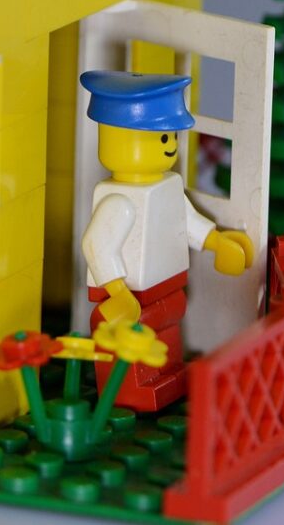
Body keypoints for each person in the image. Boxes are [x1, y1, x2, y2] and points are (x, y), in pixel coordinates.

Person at [81, 71, 253, 411]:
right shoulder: (119, 201)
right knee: (132, 337)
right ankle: (131, 391)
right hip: (129, 296)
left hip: (168, 286)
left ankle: (166, 375)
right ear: (119, 137)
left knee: (167, 329)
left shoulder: (167, 186)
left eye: (172, 135)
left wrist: (216, 241)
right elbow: (96, 246)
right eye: (163, 136)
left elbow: (186, 221)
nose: (171, 143)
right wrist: (117, 291)